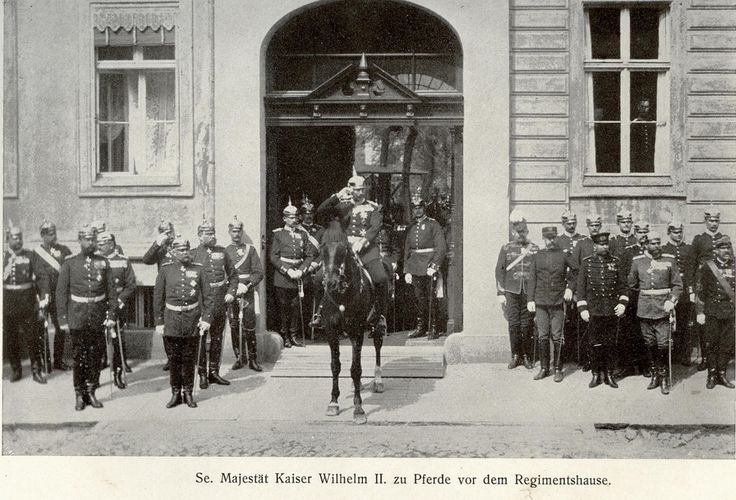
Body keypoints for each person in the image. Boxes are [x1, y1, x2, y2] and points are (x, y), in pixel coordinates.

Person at [314, 175, 388, 336]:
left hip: (366, 250)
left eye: (362, 189)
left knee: (380, 278)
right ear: (350, 189)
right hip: (343, 250)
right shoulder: (341, 206)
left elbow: (375, 227)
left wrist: (362, 242)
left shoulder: (374, 207)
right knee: (319, 278)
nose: (360, 193)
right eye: (356, 190)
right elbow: (320, 212)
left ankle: (379, 317)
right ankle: (320, 313)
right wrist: (337, 196)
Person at [56, 225, 117, 411]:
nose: (90, 242)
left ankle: (91, 391)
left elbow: (111, 292)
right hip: (77, 317)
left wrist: (112, 315)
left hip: (97, 316)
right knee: (79, 357)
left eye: (93, 239)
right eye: (87, 239)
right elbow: (61, 293)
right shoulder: (69, 263)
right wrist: (63, 319)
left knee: (95, 356)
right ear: (80, 241)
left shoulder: (104, 262)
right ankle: (79, 394)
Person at [154, 235, 213, 408]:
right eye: (181, 250)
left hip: (191, 320)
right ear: (173, 252)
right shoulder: (165, 270)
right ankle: (175, 393)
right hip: (171, 320)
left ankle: (188, 392)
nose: (185, 252)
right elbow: (158, 298)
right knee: (174, 359)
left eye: (187, 249)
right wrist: (159, 322)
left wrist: (206, 319)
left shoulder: (199, 269)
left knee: (189, 358)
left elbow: (209, 297)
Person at [627, 231, 682, 395]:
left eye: (658, 242)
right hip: (644, 307)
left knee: (663, 343)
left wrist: (671, 300)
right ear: (645, 244)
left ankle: (664, 376)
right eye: (653, 243)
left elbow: (678, 285)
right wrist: (645, 294)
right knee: (649, 342)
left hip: (663, 307)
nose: (657, 246)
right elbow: (632, 284)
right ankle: (655, 374)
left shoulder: (669, 260)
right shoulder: (637, 262)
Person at [576, 232, 628, 389]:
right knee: (594, 344)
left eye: (606, 244)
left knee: (611, 343)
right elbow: (580, 289)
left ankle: (609, 374)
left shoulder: (615, 262)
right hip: (594, 311)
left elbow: (623, 286)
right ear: (595, 245)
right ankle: (596, 374)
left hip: (611, 310)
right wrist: (583, 308)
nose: (604, 246)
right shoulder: (587, 263)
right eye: (601, 244)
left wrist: (622, 304)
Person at [191, 219, 239, 389]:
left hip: (220, 300)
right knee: (202, 339)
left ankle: (213, 372)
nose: (213, 236)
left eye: (213, 233)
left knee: (217, 337)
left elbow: (233, 275)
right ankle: (202, 373)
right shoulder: (193, 254)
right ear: (199, 235)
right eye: (208, 233)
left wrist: (230, 293)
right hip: (202, 303)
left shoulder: (222, 252)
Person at [688, 206, 733, 371]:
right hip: (705, 285)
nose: (714, 224)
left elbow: (731, 261)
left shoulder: (724, 239)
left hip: (722, 284)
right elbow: (691, 265)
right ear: (705, 221)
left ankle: (719, 363)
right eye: (711, 221)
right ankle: (706, 358)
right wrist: (692, 289)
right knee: (704, 325)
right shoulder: (699, 239)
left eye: (716, 220)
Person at [527, 226, 574, 382]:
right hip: (540, 301)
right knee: (542, 336)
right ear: (544, 239)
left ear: (557, 238)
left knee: (558, 336)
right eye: (548, 238)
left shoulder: (564, 255)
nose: (551, 241)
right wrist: (530, 299)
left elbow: (576, 272)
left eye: (553, 237)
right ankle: (544, 368)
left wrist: (570, 288)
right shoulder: (537, 256)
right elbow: (532, 278)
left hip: (558, 301)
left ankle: (558, 369)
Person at [495, 209, 539, 369]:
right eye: (518, 231)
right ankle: (515, 355)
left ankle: (526, 355)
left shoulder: (534, 249)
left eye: (523, 231)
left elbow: (538, 273)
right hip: (511, 292)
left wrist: (535, 296)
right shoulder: (506, 248)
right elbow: (499, 271)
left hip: (528, 293)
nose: (521, 234)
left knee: (526, 325)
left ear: (527, 231)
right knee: (513, 324)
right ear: (513, 232)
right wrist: (501, 292)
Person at [3, 224, 46, 384]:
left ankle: (36, 370)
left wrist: (43, 298)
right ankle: (16, 370)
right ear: (8, 239)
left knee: (32, 338)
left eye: (20, 237)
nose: (18, 240)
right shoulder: (3, 257)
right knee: (11, 338)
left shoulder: (30, 255)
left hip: (27, 302)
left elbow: (41, 276)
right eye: (15, 237)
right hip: (8, 303)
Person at [271, 199, 316, 347]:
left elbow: (309, 255)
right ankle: (285, 336)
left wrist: (302, 270)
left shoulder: (303, 234)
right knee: (284, 307)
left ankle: (294, 335)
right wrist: (287, 270)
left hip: (299, 275)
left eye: (296, 217)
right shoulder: (278, 234)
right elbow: (274, 257)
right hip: (283, 277)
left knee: (296, 306)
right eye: (290, 217)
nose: (294, 219)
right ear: (284, 218)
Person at [404, 191, 447, 339]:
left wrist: (434, 266)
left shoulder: (433, 224)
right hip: (415, 266)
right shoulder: (411, 227)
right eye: (415, 208)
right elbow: (407, 250)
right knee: (419, 298)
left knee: (432, 298)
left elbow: (441, 247)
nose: (417, 210)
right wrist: (407, 270)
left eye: (420, 207)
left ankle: (434, 327)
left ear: (424, 208)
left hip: (428, 265)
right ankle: (421, 327)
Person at [97, 231, 136, 388]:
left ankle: (118, 373)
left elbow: (131, 285)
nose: (99, 247)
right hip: (99, 304)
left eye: (103, 244)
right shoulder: (94, 261)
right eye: (98, 244)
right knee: (98, 341)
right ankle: (95, 376)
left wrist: (119, 301)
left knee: (118, 341)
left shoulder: (123, 261)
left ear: (111, 244)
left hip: (118, 304)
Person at [225, 216, 264, 371]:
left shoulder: (250, 249)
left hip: (246, 292)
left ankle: (253, 359)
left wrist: (247, 285)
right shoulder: (225, 251)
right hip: (232, 291)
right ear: (229, 232)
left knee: (249, 325)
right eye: (234, 231)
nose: (236, 234)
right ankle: (240, 357)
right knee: (234, 325)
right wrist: (233, 287)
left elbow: (258, 272)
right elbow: (223, 274)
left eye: (239, 231)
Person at [695, 235, 735, 389]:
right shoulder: (707, 267)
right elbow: (700, 291)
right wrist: (700, 312)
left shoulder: (734, 265)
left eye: (728, 247)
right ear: (716, 250)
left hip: (729, 311)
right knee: (712, 343)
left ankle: (722, 374)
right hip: (712, 311)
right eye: (723, 248)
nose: (726, 251)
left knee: (726, 344)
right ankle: (712, 374)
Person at [34, 220, 73, 371]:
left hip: (59, 297)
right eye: (50, 234)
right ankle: (46, 361)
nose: (54, 236)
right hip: (43, 298)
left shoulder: (64, 250)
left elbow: (70, 271)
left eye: (55, 233)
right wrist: (41, 296)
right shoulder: (35, 254)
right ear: (43, 235)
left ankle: (58, 360)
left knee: (60, 328)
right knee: (41, 329)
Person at [613, 221, 650, 380]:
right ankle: (627, 366)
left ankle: (645, 366)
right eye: (640, 232)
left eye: (645, 232)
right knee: (628, 332)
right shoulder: (628, 252)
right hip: (632, 297)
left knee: (645, 332)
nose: (643, 235)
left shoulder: (652, 252)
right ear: (635, 234)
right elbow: (622, 276)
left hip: (647, 297)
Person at [567, 214, 603, 371]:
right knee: (586, 327)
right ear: (587, 227)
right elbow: (575, 268)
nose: (594, 228)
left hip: (602, 292)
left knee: (602, 327)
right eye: (591, 225)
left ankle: (602, 361)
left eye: (597, 225)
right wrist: (576, 290)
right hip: (586, 292)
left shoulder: (605, 242)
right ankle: (588, 360)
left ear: (600, 226)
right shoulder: (582, 244)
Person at [142, 219, 176, 371]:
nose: (168, 235)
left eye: (169, 232)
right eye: (164, 232)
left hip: (178, 288)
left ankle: (181, 357)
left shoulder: (179, 245)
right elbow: (146, 259)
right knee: (165, 325)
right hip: (164, 288)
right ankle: (170, 357)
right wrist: (156, 243)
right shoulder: (160, 249)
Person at [662, 220, 694, 366]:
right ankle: (673, 355)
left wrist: (692, 289)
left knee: (685, 325)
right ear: (669, 233)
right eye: (675, 232)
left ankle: (685, 355)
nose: (678, 234)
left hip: (686, 292)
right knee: (671, 324)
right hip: (671, 292)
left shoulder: (688, 249)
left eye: (680, 231)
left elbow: (692, 271)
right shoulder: (664, 249)